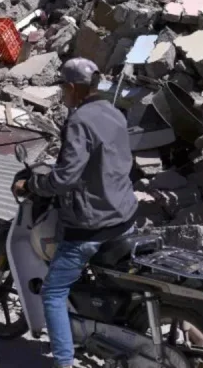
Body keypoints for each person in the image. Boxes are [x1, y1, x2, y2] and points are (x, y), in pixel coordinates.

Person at [13, 58, 138, 368]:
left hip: (92, 224)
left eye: (63, 89)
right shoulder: (114, 112)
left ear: (71, 88)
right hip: (125, 216)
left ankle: (64, 362)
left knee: (53, 292)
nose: (62, 94)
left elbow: (66, 178)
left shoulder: (80, 120)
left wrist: (34, 184)